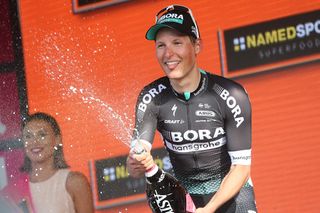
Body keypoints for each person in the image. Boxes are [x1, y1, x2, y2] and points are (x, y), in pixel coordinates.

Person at [126, 4, 257, 213]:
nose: (168, 53)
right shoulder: (151, 97)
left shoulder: (231, 94)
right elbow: (136, 160)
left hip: (231, 190)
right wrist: (136, 163)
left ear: (196, 46)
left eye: (177, 43)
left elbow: (241, 167)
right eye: (161, 45)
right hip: (183, 194)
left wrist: (210, 208)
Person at [20, 112, 94, 213]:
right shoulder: (15, 188)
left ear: (57, 139)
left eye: (42, 135)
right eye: (28, 136)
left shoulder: (74, 182)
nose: (34, 142)